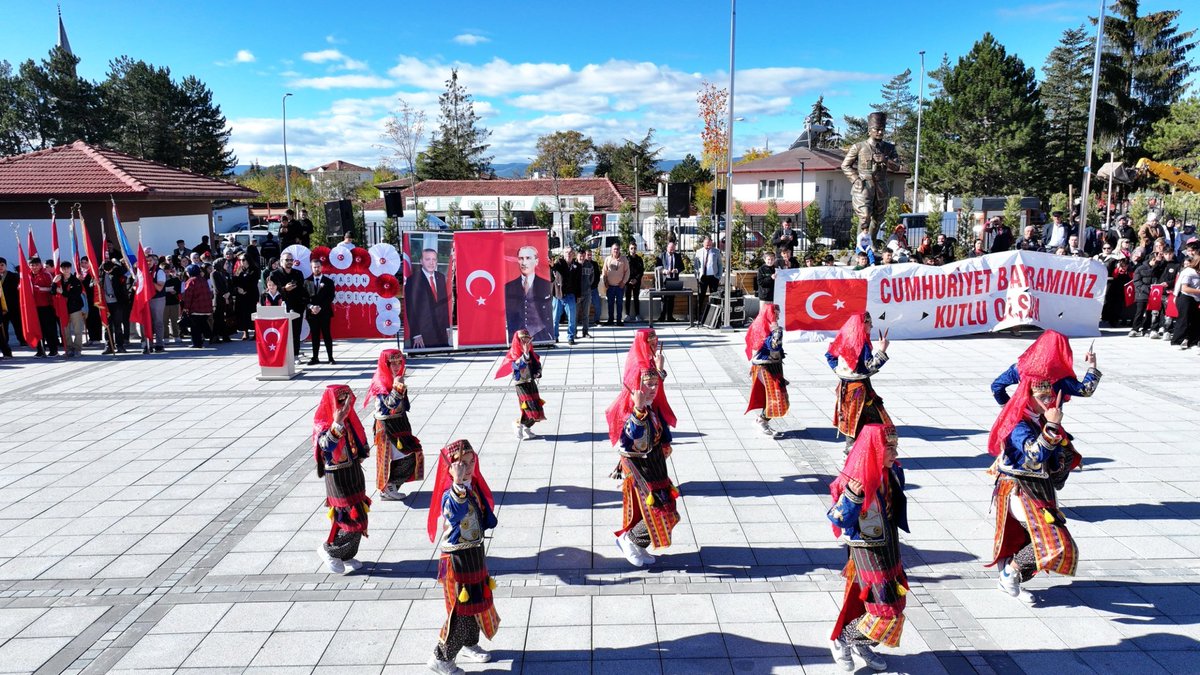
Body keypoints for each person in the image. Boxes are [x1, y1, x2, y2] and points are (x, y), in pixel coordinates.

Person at [987, 331, 1100, 599]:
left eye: (1052, 397)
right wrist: (1014, 410)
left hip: (1038, 484)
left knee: (1040, 538)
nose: (1050, 402)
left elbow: (997, 387)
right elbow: (1033, 455)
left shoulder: (1044, 382)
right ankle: (1010, 572)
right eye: (1043, 398)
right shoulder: (1019, 420)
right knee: (1053, 543)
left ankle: (1011, 573)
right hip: (1020, 486)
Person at [827, 424, 908, 672]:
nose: (895, 453)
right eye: (889, 448)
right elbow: (838, 518)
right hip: (868, 552)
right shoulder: (855, 479)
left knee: (897, 603)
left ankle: (862, 644)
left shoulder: (893, 471)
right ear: (874, 449)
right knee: (886, 611)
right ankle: (844, 639)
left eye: (896, 446)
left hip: (890, 547)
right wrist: (853, 498)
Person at [606, 329, 679, 567]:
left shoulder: (649, 379)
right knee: (660, 508)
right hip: (641, 465)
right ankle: (630, 540)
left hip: (654, 463)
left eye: (656, 340)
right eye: (650, 341)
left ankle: (637, 544)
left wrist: (659, 370)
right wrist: (638, 410)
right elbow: (628, 440)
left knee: (666, 507)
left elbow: (652, 387)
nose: (654, 389)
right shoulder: (635, 402)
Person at [425, 439, 498, 674]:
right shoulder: (450, 492)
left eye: (470, 462)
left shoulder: (472, 486)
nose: (467, 468)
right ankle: (441, 658)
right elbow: (455, 513)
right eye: (461, 464)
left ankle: (468, 643)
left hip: (473, 554)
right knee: (462, 610)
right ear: (450, 468)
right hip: (456, 560)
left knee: (476, 603)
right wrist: (457, 482)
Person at [313, 384, 371, 575]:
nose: (345, 405)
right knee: (350, 518)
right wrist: (336, 423)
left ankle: (346, 555)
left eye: (347, 400)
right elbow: (325, 446)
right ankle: (330, 550)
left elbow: (359, 439)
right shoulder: (323, 422)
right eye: (340, 401)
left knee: (361, 513)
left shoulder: (350, 419)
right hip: (338, 477)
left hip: (353, 472)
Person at [826, 313, 891, 454]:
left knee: (851, 420)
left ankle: (852, 453)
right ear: (863, 323)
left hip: (845, 388)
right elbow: (870, 366)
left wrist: (840, 371)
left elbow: (830, 355)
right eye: (869, 323)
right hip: (860, 390)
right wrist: (882, 350)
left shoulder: (843, 338)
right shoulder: (861, 343)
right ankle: (864, 454)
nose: (871, 326)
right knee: (877, 421)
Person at [364, 350, 423, 501]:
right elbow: (390, 404)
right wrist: (398, 387)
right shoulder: (380, 381)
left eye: (399, 362)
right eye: (393, 363)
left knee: (411, 454)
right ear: (386, 364)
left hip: (399, 422)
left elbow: (404, 404)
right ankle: (387, 488)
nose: (397, 366)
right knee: (399, 456)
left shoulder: (395, 376)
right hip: (387, 426)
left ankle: (391, 486)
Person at [842, 111, 902, 242]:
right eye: (877, 129)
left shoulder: (889, 148)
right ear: (870, 130)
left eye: (882, 130)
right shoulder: (859, 147)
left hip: (881, 187)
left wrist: (886, 160)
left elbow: (897, 167)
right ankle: (861, 245)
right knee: (865, 216)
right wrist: (855, 179)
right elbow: (845, 165)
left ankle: (872, 242)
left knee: (878, 219)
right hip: (863, 187)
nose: (880, 132)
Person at [745, 303, 789, 437]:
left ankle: (762, 420)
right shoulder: (764, 327)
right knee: (777, 397)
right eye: (776, 314)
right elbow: (774, 346)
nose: (778, 317)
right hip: (765, 367)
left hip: (772, 366)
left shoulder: (762, 324)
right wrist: (777, 330)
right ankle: (761, 421)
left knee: (774, 397)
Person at [495, 329, 545, 440]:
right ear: (518, 341)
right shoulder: (514, 354)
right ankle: (518, 423)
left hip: (531, 382)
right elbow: (518, 366)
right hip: (521, 384)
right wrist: (525, 354)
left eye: (528, 340)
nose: (526, 343)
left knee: (537, 409)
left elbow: (537, 364)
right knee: (530, 407)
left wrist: (538, 372)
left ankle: (527, 427)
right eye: (523, 340)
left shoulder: (531, 353)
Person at [502, 245, 553, 342]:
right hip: (517, 336)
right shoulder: (508, 287)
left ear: (536, 261)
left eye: (528, 258)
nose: (524, 263)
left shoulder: (545, 285)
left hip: (540, 335)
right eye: (521, 258)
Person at [405, 248, 451, 349]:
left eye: (434, 259)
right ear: (421, 261)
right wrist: (416, 334)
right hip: (423, 335)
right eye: (428, 259)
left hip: (441, 333)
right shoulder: (413, 280)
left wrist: (447, 327)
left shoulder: (441, 277)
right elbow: (410, 309)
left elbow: (444, 305)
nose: (431, 263)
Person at [269, 252, 309, 361]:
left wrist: (305, 304)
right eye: (287, 260)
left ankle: (295, 355)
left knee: (296, 332)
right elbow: (272, 291)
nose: (289, 262)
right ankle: (282, 355)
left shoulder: (298, 273)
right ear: (281, 261)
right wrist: (284, 289)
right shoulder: (274, 274)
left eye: (291, 260)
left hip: (297, 307)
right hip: (281, 307)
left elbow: (302, 290)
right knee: (282, 333)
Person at [306, 259, 336, 365]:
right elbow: (304, 298)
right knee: (314, 335)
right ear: (311, 268)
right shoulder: (307, 281)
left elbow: (330, 297)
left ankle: (330, 358)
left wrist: (320, 307)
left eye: (318, 267)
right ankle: (315, 358)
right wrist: (311, 307)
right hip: (312, 313)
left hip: (324, 312)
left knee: (327, 334)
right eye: (314, 267)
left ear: (321, 267)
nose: (316, 269)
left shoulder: (328, 282)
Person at [1171, 242, 1200, 349]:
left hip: (1195, 298)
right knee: (1184, 320)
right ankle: (1176, 341)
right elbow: (1184, 288)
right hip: (1185, 297)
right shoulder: (1189, 272)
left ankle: (1193, 342)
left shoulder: (1198, 272)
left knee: (1195, 320)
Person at [54, 261, 85, 358]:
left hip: (75, 308)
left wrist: (63, 293)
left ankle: (77, 349)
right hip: (63, 309)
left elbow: (76, 294)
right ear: (60, 269)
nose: (66, 270)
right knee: (65, 331)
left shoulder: (75, 280)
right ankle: (69, 348)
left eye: (67, 268)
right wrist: (53, 282)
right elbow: (52, 292)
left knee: (77, 330)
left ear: (70, 268)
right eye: (63, 268)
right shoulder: (59, 279)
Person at [29, 257, 59, 358]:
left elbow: (52, 288)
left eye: (36, 265)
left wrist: (40, 289)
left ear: (40, 265)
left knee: (48, 329)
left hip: (46, 306)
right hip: (33, 308)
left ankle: (53, 350)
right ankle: (40, 350)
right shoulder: (27, 275)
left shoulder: (46, 274)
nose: (34, 267)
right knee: (36, 329)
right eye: (32, 265)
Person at [550, 248, 581, 345]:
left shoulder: (577, 266)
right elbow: (554, 267)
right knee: (555, 318)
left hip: (570, 295)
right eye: (567, 252)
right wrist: (552, 266)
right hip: (558, 295)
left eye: (571, 252)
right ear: (563, 254)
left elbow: (578, 282)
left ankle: (571, 337)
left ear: (574, 254)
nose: (569, 254)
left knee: (572, 318)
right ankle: (555, 336)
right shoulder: (559, 263)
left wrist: (578, 295)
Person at [180, 265, 214, 349]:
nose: (186, 273)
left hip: (196, 308)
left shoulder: (191, 281)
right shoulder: (203, 279)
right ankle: (209, 335)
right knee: (202, 323)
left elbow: (188, 296)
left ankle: (197, 343)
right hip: (206, 307)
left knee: (195, 327)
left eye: (187, 272)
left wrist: (186, 308)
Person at [100, 260, 129, 354]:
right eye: (106, 270)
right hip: (105, 304)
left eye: (109, 270)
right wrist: (95, 282)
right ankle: (108, 346)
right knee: (106, 326)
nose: (108, 272)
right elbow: (92, 284)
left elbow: (124, 281)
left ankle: (120, 345)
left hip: (117, 303)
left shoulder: (118, 272)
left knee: (118, 326)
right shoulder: (100, 274)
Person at [693, 236, 723, 322]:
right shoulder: (699, 252)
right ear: (703, 244)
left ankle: (713, 317)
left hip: (713, 277)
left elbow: (720, 264)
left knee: (714, 296)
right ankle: (697, 316)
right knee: (701, 296)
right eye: (707, 245)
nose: (708, 247)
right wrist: (697, 276)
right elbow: (696, 265)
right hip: (703, 277)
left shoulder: (716, 251)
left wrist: (719, 276)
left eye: (710, 245)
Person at [1129, 251, 1157, 337]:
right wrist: (1147, 289)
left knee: (1149, 313)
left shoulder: (1157, 269)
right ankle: (1135, 329)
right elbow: (1136, 281)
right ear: (1152, 260)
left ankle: (1146, 328)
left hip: (1153, 294)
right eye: (1155, 261)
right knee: (1139, 312)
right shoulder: (1140, 268)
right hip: (1142, 293)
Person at [656, 242, 685, 322]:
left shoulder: (677, 256)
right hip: (665, 280)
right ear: (667, 248)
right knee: (664, 299)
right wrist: (664, 271)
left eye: (673, 249)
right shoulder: (662, 256)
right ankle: (662, 317)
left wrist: (677, 270)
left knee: (671, 299)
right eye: (670, 249)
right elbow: (657, 267)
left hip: (674, 280)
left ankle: (670, 317)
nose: (672, 250)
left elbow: (682, 267)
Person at [602, 243, 629, 326]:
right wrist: (605, 281)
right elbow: (604, 271)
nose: (616, 251)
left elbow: (627, 272)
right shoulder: (607, 259)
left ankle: (619, 320)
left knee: (619, 304)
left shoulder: (624, 259)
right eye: (614, 249)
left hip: (619, 287)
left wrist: (623, 282)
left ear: (619, 250)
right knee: (610, 304)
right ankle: (610, 320)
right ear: (611, 250)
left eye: (617, 249)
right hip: (610, 286)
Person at [0, 258, 21, 348]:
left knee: (18, 324)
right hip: (2, 307)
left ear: (6, 266)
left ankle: (22, 340)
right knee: (3, 326)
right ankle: (5, 343)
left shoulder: (13, 276)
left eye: (2, 265)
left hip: (13, 305)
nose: (0, 267)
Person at [162, 262, 182, 343]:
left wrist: (175, 292)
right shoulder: (159, 280)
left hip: (174, 302)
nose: (166, 273)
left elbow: (179, 289)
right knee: (164, 321)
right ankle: (165, 337)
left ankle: (176, 336)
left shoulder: (175, 279)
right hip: (164, 303)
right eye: (164, 272)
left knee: (175, 321)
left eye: (167, 271)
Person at [624, 242, 644, 323]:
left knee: (636, 298)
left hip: (636, 282)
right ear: (629, 249)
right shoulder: (625, 259)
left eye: (634, 248)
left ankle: (637, 315)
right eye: (631, 248)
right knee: (627, 298)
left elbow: (641, 271)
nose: (633, 250)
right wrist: (629, 280)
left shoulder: (639, 259)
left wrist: (636, 279)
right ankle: (627, 315)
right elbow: (624, 271)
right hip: (627, 282)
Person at [578, 248, 596, 336]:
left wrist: (588, 285)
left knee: (586, 314)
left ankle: (585, 332)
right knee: (574, 315)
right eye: (580, 256)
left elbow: (592, 278)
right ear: (577, 256)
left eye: (583, 256)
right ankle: (573, 333)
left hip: (587, 293)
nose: (582, 258)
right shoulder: (574, 265)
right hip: (576, 294)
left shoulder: (589, 265)